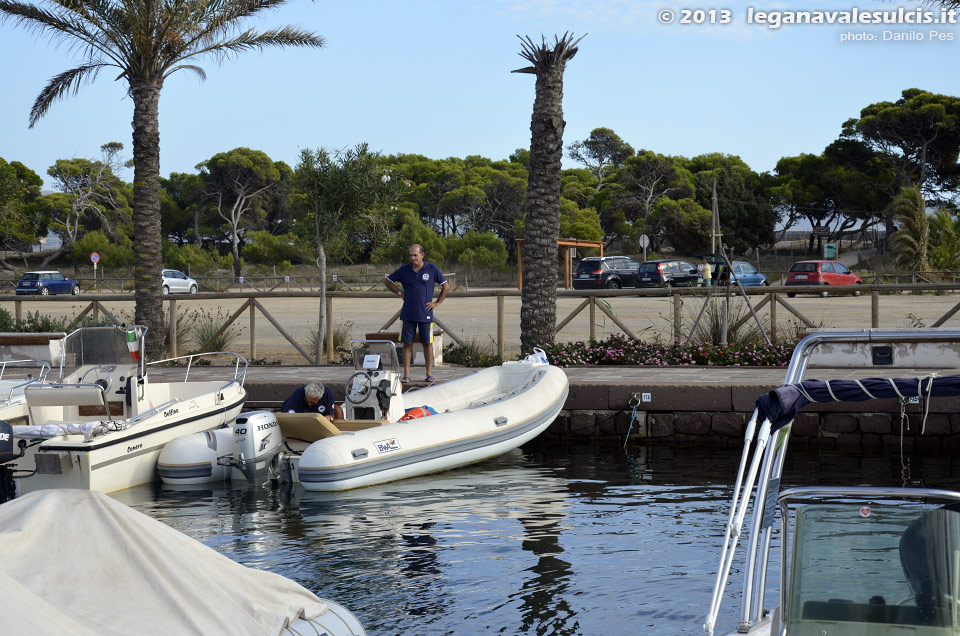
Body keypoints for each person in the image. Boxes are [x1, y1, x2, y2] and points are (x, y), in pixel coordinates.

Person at [383, 243, 449, 382]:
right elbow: (387, 281)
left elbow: (445, 286)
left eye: (415, 255)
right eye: (411, 255)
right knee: (407, 344)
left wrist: (437, 303)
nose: (413, 258)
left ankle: (429, 374)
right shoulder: (404, 270)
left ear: (422, 255)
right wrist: (399, 292)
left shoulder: (432, 268)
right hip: (407, 313)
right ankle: (406, 375)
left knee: (427, 343)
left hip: (425, 313)